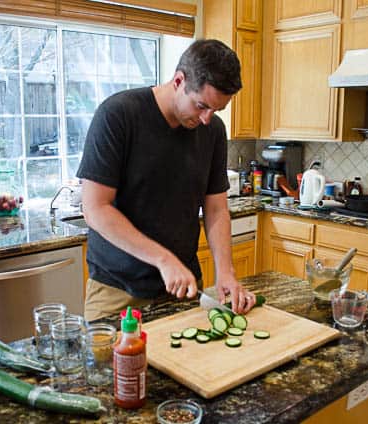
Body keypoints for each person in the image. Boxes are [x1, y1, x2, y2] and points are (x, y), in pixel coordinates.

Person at [76, 39, 257, 322]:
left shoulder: (212, 131)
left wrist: (226, 272)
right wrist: (163, 259)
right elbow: (95, 209)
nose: (208, 118)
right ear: (178, 80)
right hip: (117, 290)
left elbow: (216, 209)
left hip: (182, 289)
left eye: (216, 111)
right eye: (201, 106)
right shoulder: (118, 115)